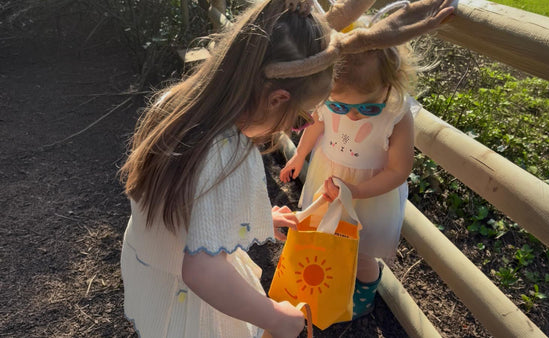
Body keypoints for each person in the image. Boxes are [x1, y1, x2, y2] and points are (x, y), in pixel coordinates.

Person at [119, 0, 454, 336]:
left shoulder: (178, 104)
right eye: (300, 119)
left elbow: (192, 204)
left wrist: (262, 219)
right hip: (194, 300)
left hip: (153, 264)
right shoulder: (229, 153)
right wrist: (273, 315)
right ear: (278, 98)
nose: (304, 124)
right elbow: (202, 272)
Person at [279, 6, 422, 319]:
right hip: (328, 178)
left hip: (370, 194)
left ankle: (364, 294)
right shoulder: (330, 100)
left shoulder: (397, 116)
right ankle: (334, 281)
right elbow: (316, 126)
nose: (353, 115)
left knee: (362, 252)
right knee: (326, 237)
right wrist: (300, 156)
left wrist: (356, 191)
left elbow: (399, 169)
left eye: (368, 109)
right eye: (339, 106)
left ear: (391, 86)